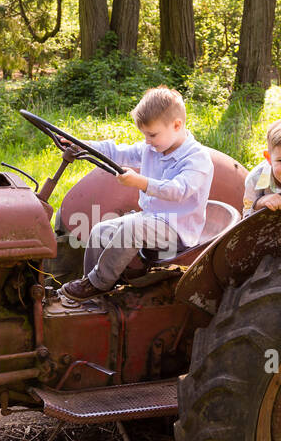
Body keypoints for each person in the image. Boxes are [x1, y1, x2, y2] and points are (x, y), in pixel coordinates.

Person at [60, 87, 214, 301]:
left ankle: (98, 283)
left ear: (177, 125)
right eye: (145, 135)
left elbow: (179, 190)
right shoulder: (153, 148)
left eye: (152, 135)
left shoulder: (197, 158)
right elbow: (118, 152)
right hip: (151, 219)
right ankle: (91, 285)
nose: (148, 141)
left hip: (177, 230)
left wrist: (141, 182)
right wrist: (83, 145)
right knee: (100, 230)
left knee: (132, 229)